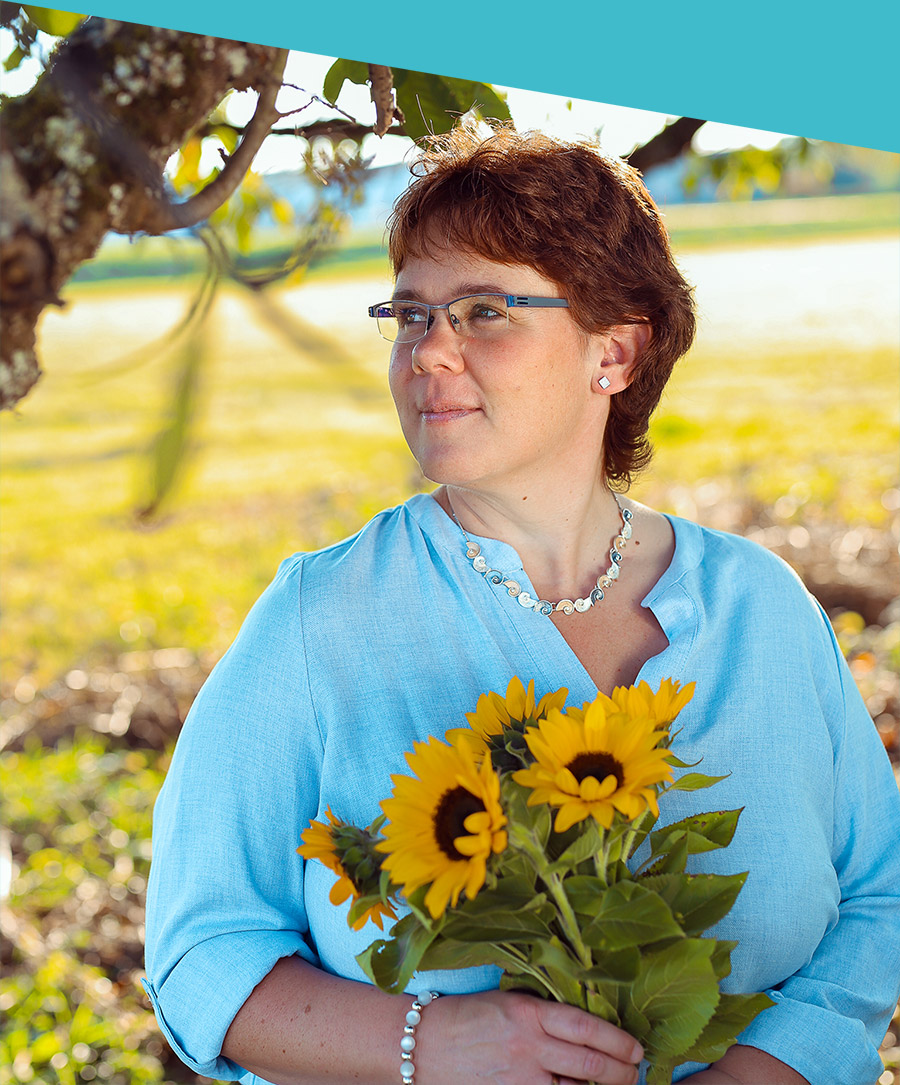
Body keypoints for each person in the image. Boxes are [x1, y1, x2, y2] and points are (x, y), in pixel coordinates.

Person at [143, 126, 900, 1085]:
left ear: (616, 353)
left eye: (484, 310)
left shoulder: (764, 610)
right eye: (412, 315)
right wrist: (427, 1043)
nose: (429, 352)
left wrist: (773, 1067)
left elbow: (880, 897)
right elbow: (199, 955)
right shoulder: (317, 621)